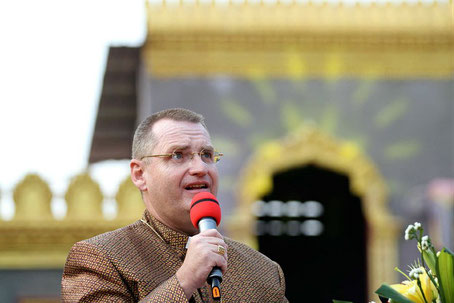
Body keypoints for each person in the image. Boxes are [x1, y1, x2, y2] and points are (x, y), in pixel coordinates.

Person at [62, 108, 288, 302]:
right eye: (178, 155)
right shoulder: (102, 259)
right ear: (140, 174)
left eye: (207, 155)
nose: (200, 168)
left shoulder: (262, 271)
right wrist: (186, 280)